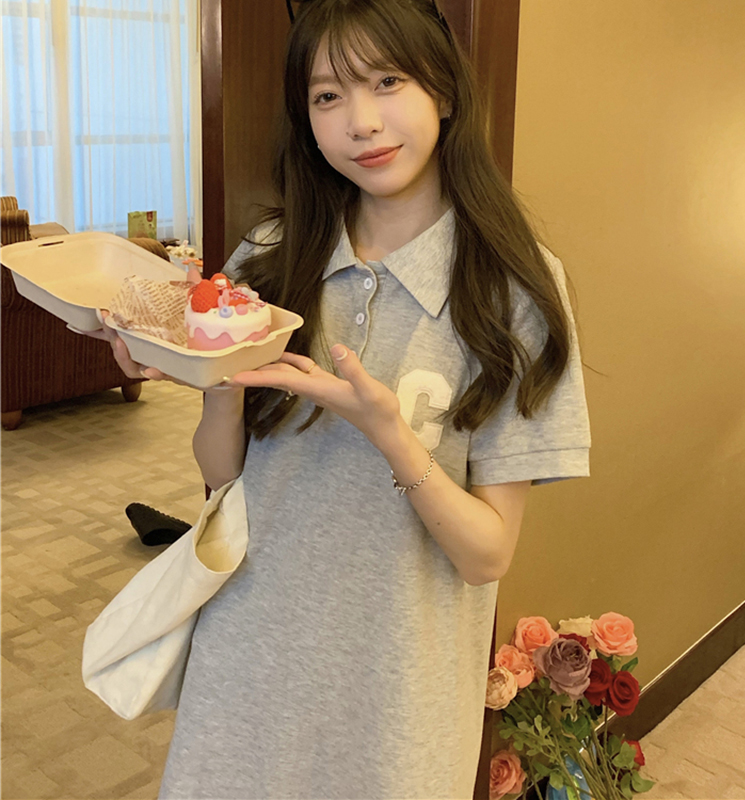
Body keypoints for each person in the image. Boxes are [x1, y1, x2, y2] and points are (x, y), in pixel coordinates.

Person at [99, 0, 591, 796]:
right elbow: (222, 482)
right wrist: (209, 381)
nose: (361, 122)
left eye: (387, 81)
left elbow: (487, 556)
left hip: (398, 695)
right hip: (246, 657)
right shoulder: (268, 260)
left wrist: (388, 431)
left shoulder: (513, 291)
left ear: (444, 90)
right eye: (328, 96)